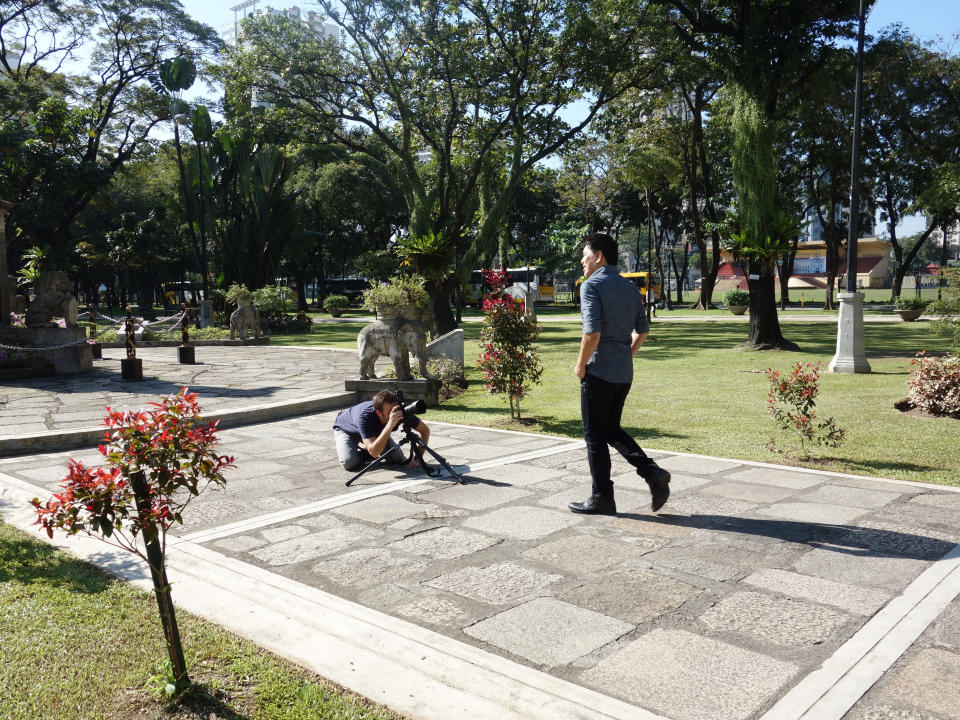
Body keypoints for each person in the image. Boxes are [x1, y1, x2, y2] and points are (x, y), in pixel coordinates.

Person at [570, 233, 671, 516]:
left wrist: (581, 365)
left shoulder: (591, 286)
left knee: (595, 437)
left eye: (585, 254)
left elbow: (592, 333)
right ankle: (652, 472)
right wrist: (627, 353)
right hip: (623, 373)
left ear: (599, 256)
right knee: (610, 429)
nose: (582, 260)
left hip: (599, 372)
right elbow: (643, 330)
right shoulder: (628, 287)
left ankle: (602, 497)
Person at [332, 390, 430, 471]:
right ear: (379, 412)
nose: (394, 413)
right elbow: (374, 453)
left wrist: (418, 458)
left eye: (395, 409)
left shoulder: (400, 411)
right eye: (389, 412)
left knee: (397, 458)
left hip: (374, 432)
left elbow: (425, 431)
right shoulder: (365, 417)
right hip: (347, 429)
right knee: (349, 462)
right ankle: (365, 452)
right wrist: (390, 424)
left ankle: (367, 450)